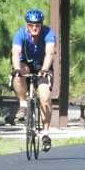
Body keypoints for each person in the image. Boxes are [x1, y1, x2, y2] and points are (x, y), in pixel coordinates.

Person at [11, 9, 55, 152]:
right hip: (26, 64)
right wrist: (17, 69)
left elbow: (49, 53)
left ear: (41, 25)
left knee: (45, 96)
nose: (34, 28)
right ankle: (23, 104)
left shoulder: (48, 33)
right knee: (19, 74)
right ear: (27, 25)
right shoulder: (21, 34)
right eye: (31, 25)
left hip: (43, 65)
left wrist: (45, 69)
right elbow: (16, 52)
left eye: (37, 25)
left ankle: (46, 133)